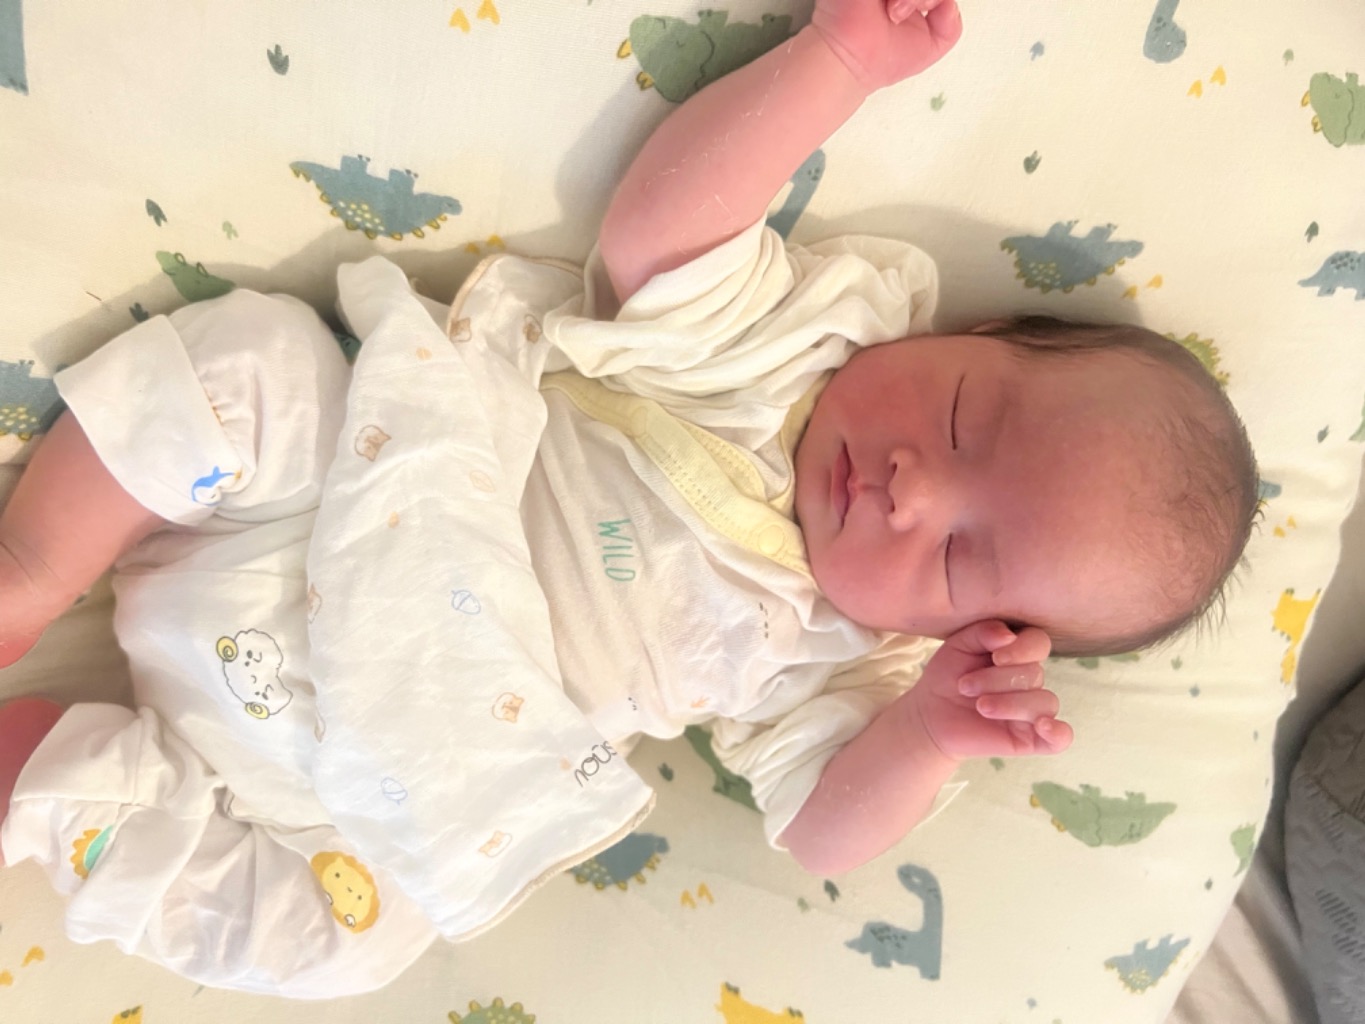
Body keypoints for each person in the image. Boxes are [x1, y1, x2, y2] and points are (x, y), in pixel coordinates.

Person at [0, 0, 1257, 998]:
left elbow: (821, 834)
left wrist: (929, 734)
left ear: (968, 633)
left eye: (956, 558)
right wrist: (836, 64)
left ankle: (69, 786)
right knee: (262, 366)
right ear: (972, 334)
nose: (911, 482)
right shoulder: (793, 350)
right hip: (350, 489)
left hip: (375, 749)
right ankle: (31, 575)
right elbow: (660, 232)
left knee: (358, 933)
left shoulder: (854, 666)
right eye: (965, 417)